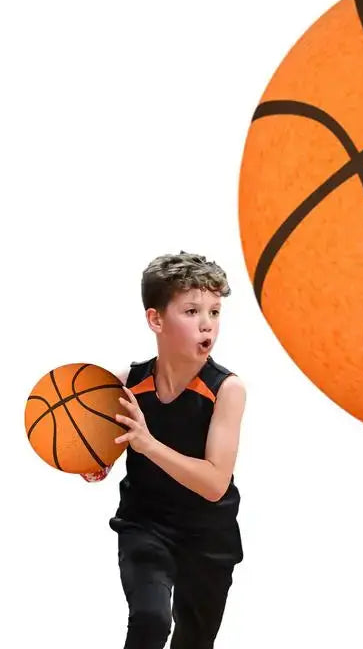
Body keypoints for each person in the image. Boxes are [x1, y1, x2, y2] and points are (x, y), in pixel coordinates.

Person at [83, 251, 247, 649]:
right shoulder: (125, 383)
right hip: (145, 526)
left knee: (194, 641)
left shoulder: (227, 390)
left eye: (214, 311)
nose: (207, 323)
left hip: (208, 538)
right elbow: (104, 449)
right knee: (150, 620)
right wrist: (94, 460)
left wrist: (148, 444)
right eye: (191, 311)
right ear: (156, 319)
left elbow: (213, 483)